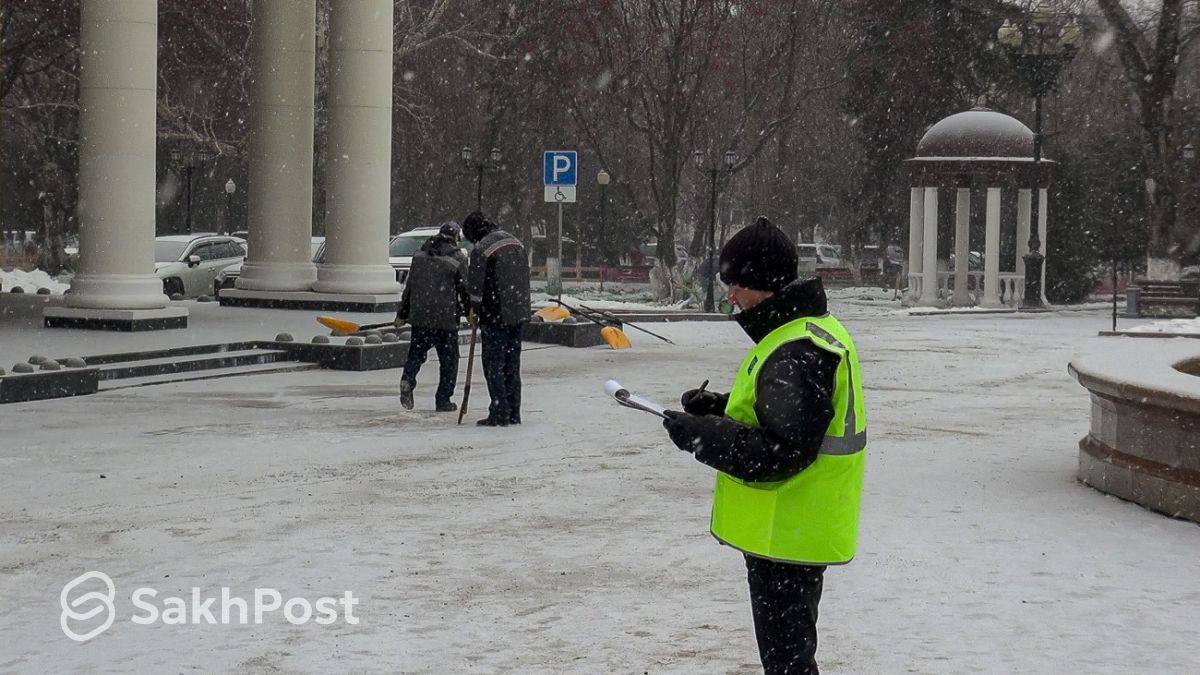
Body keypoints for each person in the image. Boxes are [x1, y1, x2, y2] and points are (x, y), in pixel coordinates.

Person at [660, 216, 866, 674]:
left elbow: (782, 451)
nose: (730, 295)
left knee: (788, 663)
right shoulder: (804, 331)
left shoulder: (796, 348)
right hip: (797, 527)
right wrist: (720, 408)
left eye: (736, 283)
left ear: (764, 283)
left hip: (790, 532)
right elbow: (785, 415)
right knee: (788, 657)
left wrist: (704, 436)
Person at [462, 211, 531, 427]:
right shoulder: (515, 241)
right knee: (512, 364)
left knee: (493, 365)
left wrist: (474, 309)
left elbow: (475, 287)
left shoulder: (481, 250)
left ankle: (499, 411)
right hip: (518, 312)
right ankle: (513, 411)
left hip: (495, 314)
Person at [396, 222, 469, 412]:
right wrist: (470, 312)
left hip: (420, 316)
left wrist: (402, 314)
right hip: (445, 318)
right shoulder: (458, 257)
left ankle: (407, 379)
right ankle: (443, 400)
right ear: (455, 237)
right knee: (449, 361)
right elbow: (465, 290)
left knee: (416, 354)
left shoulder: (419, 254)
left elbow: (410, 287)